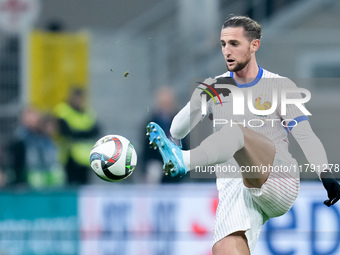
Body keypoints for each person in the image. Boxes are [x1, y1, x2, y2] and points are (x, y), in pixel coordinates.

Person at [146, 15, 340, 254]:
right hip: (234, 190)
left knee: (235, 130)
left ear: (254, 45)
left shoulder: (280, 86)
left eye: (234, 44)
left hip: (278, 178)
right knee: (223, 249)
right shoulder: (215, 88)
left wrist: (326, 175)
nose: (227, 51)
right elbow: (176, 130)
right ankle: (183, 159)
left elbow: (305, 135)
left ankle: (184, 160)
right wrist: (199, 98)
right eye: (223, 44)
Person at [54, 87, 100, 185]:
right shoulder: (63, 111)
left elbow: (96, 130)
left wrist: (77, 133)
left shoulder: (87, 112)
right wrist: (85, 132)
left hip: (85, 159)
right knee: (71, 185)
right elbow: (66, 132)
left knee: (84, 186)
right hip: (69, 157)